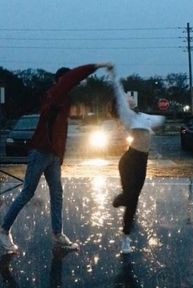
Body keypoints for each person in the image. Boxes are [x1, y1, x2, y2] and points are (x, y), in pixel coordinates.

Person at [0, 62, 113, 252]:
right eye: (70, 82)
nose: (74, 86)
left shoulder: (63, 99)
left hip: (52, 155)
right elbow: (71, 78)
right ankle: (4, 230)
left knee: (57, 193)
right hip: (41, 151)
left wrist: (59, 157)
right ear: (61, 80)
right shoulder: (55, 94)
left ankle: (57, 234)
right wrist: (96, 66)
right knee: (28, 191)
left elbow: (60, 132)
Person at [109, 68, 165, 253]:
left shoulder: (143, 116)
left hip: (142, 162)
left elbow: (160, 118)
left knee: (134, 200)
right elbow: (118, 91)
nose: (128, 97)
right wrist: (113, 74)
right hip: (129, 161)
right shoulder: (128, 117)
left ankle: (125, 232)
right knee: (131, 199)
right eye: (125, 98)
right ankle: (125, 235)